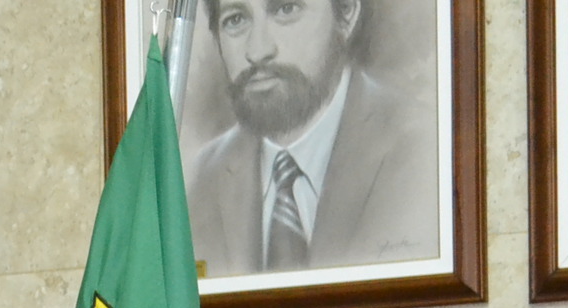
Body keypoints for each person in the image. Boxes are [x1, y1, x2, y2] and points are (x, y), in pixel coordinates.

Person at [186, 0, 439, 276]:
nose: (257, 51)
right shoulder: (200, 180)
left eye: (286, 9)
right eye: (235, 20)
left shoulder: (424, 151)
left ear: (346, 13)